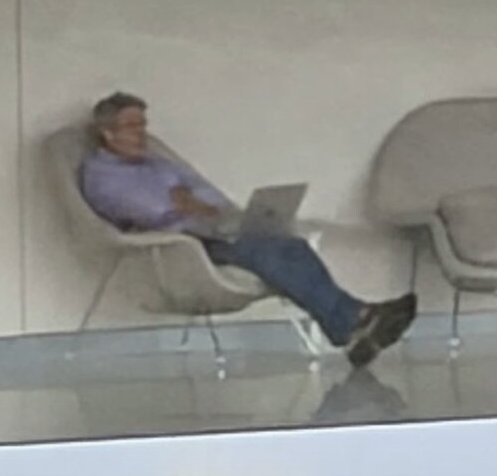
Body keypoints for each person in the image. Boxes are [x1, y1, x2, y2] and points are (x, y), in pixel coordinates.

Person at [78, 91, 416, 366]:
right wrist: (182, 201)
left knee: (291, 245)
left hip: (211, 229)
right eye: (132, 126)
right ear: (108, 133)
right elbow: (152, 213)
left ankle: (351, 323)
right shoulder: (102, 176)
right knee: (268, 251)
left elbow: (206, 194)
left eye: (143, 125)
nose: (141, 134)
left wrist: (196, 204)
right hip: (180, 246)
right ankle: (355, 319)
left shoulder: (158, 164)